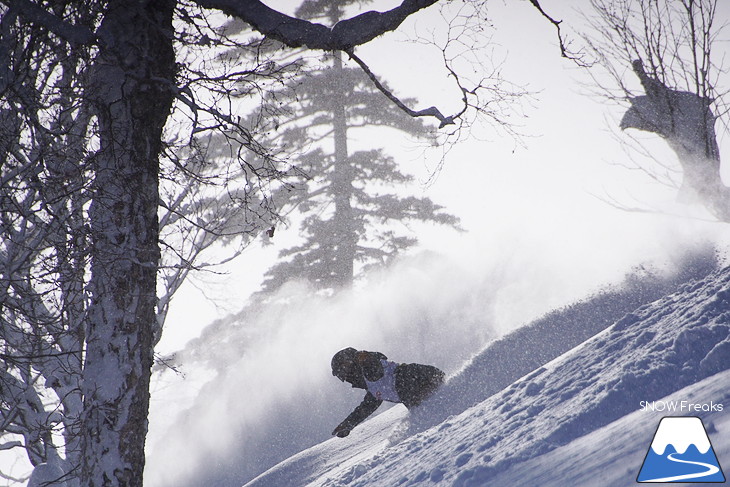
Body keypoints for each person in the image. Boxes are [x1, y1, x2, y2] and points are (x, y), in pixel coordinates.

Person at [330, 347, 445, 438]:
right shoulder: (373, 390)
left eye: (343, 370)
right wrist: (348, 424)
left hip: (421, 376)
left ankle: (436, 422)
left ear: (350, 362)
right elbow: (366, 408)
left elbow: (374, 363)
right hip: (420, 383)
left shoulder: (369, 369)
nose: (344, 376)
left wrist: (367, 358)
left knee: (419, 409)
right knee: (423, 411)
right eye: (340, 374)